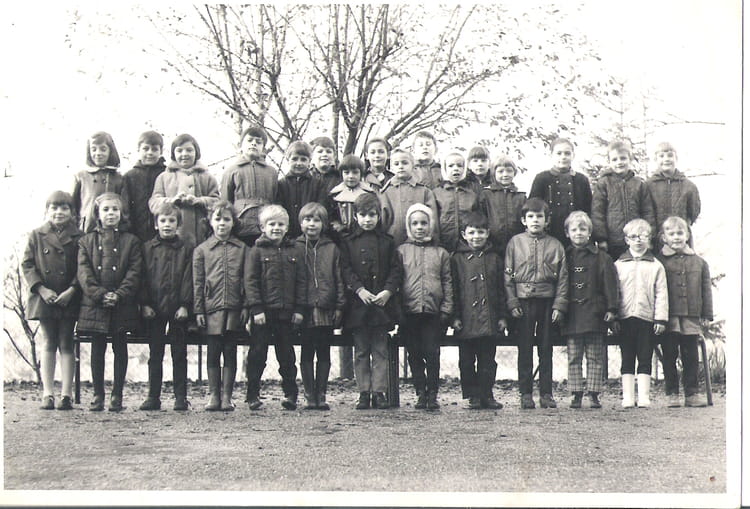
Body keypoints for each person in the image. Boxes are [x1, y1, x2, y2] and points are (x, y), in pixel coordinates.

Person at [76, 192, 143, 412]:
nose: (111, 214)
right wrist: (100, 294)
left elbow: (134, 272)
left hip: (122, 305)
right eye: (106, 210)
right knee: (97, 349)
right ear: (97, 214)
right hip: (96, 305)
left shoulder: (131, 241)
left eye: (115, 209)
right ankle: (98, 394)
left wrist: (119, 294)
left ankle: (117, 395)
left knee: (120, 348)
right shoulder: (86, 242)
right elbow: (84, 273)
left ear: (121, 213)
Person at [22, 191, 84, 410]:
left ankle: (66, 395)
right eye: (54, 208)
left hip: (69, 296)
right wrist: (41, 289)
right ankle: (47, 393)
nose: (59, 212)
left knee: (67, 342)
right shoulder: (37, 235)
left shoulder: (79, 237)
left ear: (72, 212)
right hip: (45, 297)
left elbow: (83, 267)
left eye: (64, 208)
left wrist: (72, 290)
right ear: (47, 211)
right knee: (49, 342)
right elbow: (27, 265)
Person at [340, 193, 402, 409]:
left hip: (381, 305)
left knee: (380, 350)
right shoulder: (348, 242)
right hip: (359, 305)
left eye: (372, 215)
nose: (368, 220)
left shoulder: (387, 242)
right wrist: (359, 290)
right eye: (363, 215)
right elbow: (345, 269)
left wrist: (387, 292)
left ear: (378, 216)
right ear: (355, 217)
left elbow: (395, 270)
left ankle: (379, 392)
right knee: (361, 351)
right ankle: (364, 392)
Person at [504, 198, 568, 409]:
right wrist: (512, 301)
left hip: (547, 302)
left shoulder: (556, 245)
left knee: (546, 348)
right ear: (523, 220)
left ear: (547, 220)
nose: (535, 220)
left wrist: (559, 305)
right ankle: (525, 393)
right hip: (523, 303)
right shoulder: (515, 243)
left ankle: (546, 393)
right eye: (530, 216)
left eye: (539, 216)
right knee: (524, 348)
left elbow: (563, 278)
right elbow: (508, 275)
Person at [245, 205, 307, 411]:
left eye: (281, 224)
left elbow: (301, 282)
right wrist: (256, 309)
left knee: (287, 355)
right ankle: (252, 394)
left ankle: (291, 394)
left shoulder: (295, 251)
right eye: (271, 224)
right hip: (263, 313)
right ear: (263, 227)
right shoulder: (256, 251)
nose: (276, 228)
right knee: (257, 354)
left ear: (287, 227)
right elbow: (250, 282)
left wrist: (299, 309)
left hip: (286, 313)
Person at [193, 201, 250, 412]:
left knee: (230, 350)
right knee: (213, 351)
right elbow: (198, 282)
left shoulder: (243, 249)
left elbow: (247, 280)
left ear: (233, 223)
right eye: (218, 219)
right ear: (210, 221)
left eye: (227, 219)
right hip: (211, 308)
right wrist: (199, 309)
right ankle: (213, 395)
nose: (222, 223)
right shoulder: (202, 250)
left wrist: (246, 306)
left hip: (234, 307)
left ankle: (227, 396)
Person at [138, 203, 193, 411]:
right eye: (163, 221)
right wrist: (145, 304)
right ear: (156, 224)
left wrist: (185, 305)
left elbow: (189, 278)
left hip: (178, 310)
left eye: (172, 221)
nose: (167, 225)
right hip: (155, 310)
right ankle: (153, 396)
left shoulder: (186, 248)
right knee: (155, 354)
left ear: (178, 224)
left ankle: (180, 397)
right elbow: (142, 277)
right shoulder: (148, 248)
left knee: (179, 353)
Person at [398, 203, 453, 410]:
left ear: (431, 225)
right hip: (410, 311)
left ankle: (432, 393)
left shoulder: (441, 253)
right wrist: (398, 310)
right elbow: (397, 281)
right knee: (414, 353)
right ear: (409, 226)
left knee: (432, 352)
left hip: (433, 311)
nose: (419, 227)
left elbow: (447, 281)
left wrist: (446, 308)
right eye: (415, 223)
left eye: (424, 223)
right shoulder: (402, 251)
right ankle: (420, 392)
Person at [561, 211, 618, 409]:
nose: (578, 233)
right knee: (574, 356)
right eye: (574, 229)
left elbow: (610, 285)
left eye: (583, 229)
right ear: (567, 233)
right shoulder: (564, 256)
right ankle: (576, 393)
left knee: (595, 356)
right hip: (572, 315)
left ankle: (594, 393)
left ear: (589, 232)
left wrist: (611, 308)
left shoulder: (602, 258)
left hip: (595, 313)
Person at [451, 211, 507, 409]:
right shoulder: (457, 259)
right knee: (466, 361)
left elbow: (501, 289)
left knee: (488, 360)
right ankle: (472, 395)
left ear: (488, 233)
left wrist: (502, 316)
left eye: (481, 232)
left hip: (489, 319)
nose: (477, 236)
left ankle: (487, 394)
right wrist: (455, 317)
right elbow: (453, 289)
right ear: (464, 234)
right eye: (472, 232)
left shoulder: (495, 258)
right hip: (466, 320)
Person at [656, 216, 712, 407]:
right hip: (669, 316)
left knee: (691, 355)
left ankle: (692, 393)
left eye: (680, 233)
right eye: (671, 234)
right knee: (669, 354)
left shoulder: (699, 263)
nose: (676, 237)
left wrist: (706, 314)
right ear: (664, 238)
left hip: (691, 316)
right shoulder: (659, 262)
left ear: (687, 235)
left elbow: (706, 290)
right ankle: (672, 393)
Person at [295, 202, 346, 410]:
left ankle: (321, 393)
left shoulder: (332, 249)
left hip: (326, 306)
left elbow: (339, 278)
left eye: (316, 220)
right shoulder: (296, 247)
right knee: (307, 350)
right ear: (300, 223)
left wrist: (339, 306)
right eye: (307, 219)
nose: (312, 224)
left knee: (324, 350)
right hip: (305, 307)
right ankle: (309, 394)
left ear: (323, 224)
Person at [614, 218, 668, 408]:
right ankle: (628, 396)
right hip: (625, 318)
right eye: (633, 236)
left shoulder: (656, 265)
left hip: (647, 318)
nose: (638, 240)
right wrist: (614, 316)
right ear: (626, 240)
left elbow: (661, 293)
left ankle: (644, 396)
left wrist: (660, 319)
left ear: (649, 238)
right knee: (627, 357)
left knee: (645, 357)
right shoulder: (619, 264)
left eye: (643, 236)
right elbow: (614, 292)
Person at [149, 133, 220, 247]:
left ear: (196, 152)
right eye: (179, 151)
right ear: (173, 154)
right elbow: (153, 203)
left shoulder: (207, 177)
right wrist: (172, 201)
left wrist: (199, 201)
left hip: (202, 235)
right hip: (173, 239)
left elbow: (217, 202)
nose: (184, 154)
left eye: (189, 150)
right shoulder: (164, 177)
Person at [591, 140, 656, 261]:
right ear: (609, 162)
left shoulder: (639, 184)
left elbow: (648, 212)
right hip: (613, 240)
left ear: (630, 159)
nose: (619, 162)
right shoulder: (604, 183)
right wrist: (601, 239)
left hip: (636, 240)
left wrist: (648, 236)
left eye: (623, 158)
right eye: (614, 159)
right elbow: (597, 212)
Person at [220, 126, 279, 246]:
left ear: (263, 148)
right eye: (249, 140)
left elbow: (275, 199)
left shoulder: (271, 172)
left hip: (266, 226)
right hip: (241, 227)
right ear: (241, 145)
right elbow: (226, 202)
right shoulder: (231, 171)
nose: (254, 144)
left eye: (258, 142)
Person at [528, 137, 592, 246]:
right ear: (551, 155)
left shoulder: (581, 180)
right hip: (548, 234)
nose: (563, 157)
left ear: (573, 155)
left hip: (576, 235)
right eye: (559, 153)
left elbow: (589, 209)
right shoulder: (541, 178)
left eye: (567, 153)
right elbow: (532, 207)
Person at [646, 142, 701, 249]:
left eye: (670, 155)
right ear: (655, 160)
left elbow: (694, 211)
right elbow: (646, 211)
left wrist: (682, 226)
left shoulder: (688, 186)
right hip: (657, 237)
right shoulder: (648, 185)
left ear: (676, 158)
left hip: (680, 237)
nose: (666, 159)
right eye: (661, 156)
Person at [72, 131, 130, 234]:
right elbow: (73, 206)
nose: (98, 153)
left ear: (110, 151)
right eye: (94, 149)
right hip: (87, 230)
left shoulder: (118, 178)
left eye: (103, 149)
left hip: (111, 231)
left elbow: (124, 208)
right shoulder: (81, 177)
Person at [380, 148, 438, 246]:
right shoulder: (386, 192)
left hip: (421, 244)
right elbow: (383, 221)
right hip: (394, 242)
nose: (401, 166)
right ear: (391, 168)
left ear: (413, 166)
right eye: (396, 164)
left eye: (405, 163)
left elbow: (433, 220)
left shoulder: (424, 191)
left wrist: (434, 242)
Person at [276, 141, 328, 239]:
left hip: (311, 233)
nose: (299, 163)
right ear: (288, 160)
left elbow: (321, 209)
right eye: (294, 159)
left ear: (309, 161)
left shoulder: (317, 184)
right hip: (288, 235)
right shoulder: (281, 184)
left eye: (303, 159)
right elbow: (279, 209)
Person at [123, 131, 167, 243]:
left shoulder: (167, 174)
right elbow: (125, 206)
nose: (150, 153)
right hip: (136, 231)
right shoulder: (130, 176)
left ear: (161, 151)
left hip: (162, 231)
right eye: (146, 149)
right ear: (138, 150)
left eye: (154, 149)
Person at [478, 156, 526, 255]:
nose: (505, 174)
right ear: (494, 174)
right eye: (500, 171)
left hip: (516, 244)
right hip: (492, 245)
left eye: (509, 171)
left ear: (514, 173)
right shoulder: (486, 194)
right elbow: (480, 218)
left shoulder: (520, 196)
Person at [433, 151, 478, 253]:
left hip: (466, 245)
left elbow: (476, 219)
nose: (456, 168)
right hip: (443, 243)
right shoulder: (437, 193)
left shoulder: (471, 193)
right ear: (445, 169)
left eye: (459, 165)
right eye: (451, 166)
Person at [327, 155, 376, 240]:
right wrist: (337, 225)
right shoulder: (334, 194)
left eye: (355, 172)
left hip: (363, 235)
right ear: (341, 174)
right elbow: (331, 216)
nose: (351, 176)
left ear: (361, 173)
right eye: (346, 173)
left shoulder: (369, 193)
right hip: (340, 237)